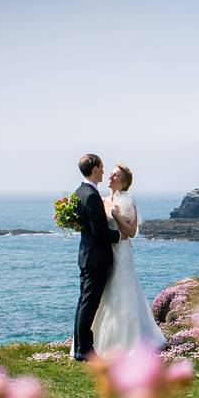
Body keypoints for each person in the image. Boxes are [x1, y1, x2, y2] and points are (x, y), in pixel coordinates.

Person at [88, 162, 167, 356]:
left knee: (123, 292)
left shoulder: (127, 200)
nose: (110, 178)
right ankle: (100, 339)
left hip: (121, 252)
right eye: (111, 175)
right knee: (106, 293)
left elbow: (131, 232)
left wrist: (116, 215)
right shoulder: (105, 199)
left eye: (115, 175)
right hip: (106, 252)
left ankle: (127, 340)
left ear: (123, 181)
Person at [71, 154, 121, 361]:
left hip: (86, 255)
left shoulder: (78, 192)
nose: (103, 171)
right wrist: (118, 235)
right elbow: (99, 231)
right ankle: (85, 350)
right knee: (89, 304)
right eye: (101, 167)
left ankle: (80, 348)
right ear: (94, 168)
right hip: (96, 258)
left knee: (83, 302)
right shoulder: (91, 195)